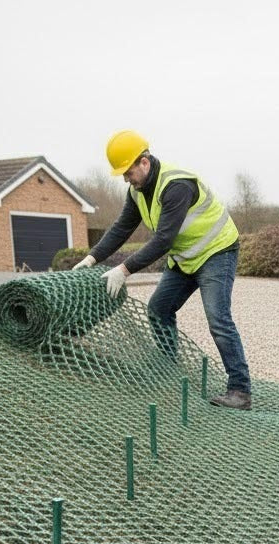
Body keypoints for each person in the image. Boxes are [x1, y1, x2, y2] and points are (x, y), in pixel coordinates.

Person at [72, 130, 252, 410]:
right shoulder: (137, 191)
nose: (126, 179)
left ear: (144, 162)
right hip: (185, 258)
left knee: (218, 318)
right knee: (158, 309)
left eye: (128, 171)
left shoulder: (176, 185)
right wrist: (92, 258)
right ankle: (169, 371)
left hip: (216, 251)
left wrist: (123, 269)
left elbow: (163, 239)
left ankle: (240, 391)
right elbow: (121, 228)